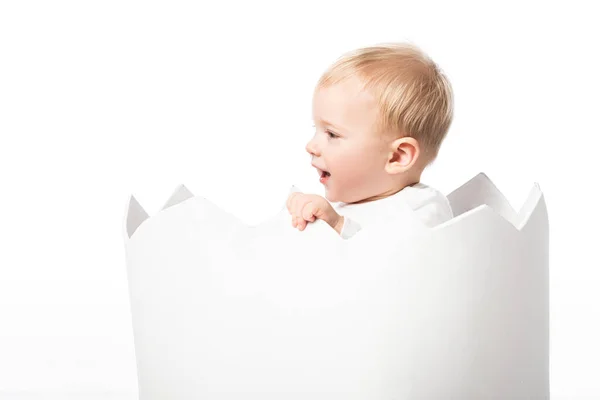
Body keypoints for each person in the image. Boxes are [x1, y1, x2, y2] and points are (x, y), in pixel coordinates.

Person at [287, 42, 454, 239]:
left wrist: (338, 226)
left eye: (332, 134)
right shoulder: (342, 205)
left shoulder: (422, 207)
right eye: (317, 129)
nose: (311, 146)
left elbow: (400, 258)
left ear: (397, 157)